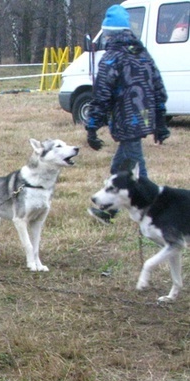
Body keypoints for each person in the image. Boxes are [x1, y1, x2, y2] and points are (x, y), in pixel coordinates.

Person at [85, 4, 170, 224]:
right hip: (144, 117)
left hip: (126, 121)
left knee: (136, 175)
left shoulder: (112, 57)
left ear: (108, 33)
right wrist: (160, 122)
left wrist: (92, 127)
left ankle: (154, 212)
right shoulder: (142, 54)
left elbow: (101, 94)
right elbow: (158, 87)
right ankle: (109, 210)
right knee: (120, 170)